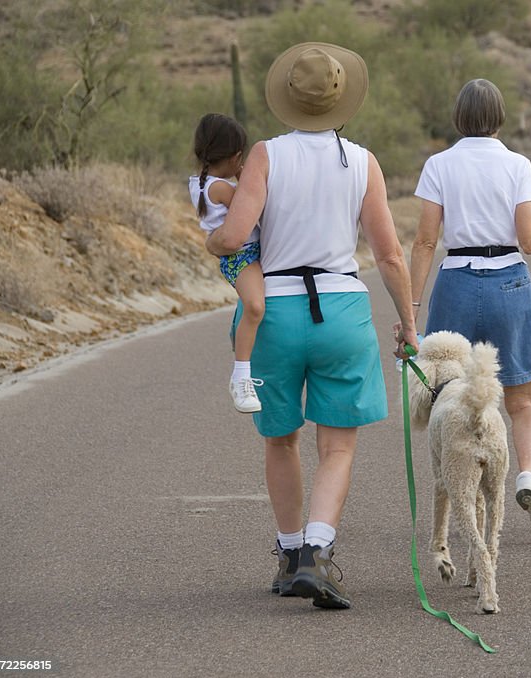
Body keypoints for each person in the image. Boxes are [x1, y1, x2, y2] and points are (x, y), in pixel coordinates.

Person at [205, 42, 418, 609]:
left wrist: (213, 241)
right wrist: (409, 322)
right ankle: (320, 553)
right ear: (341, 100)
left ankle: (289, 553)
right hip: (342, 308)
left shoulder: (266, 157)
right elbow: (391, 255)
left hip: (275, 309)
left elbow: (232, 236)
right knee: (338, 448)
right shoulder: (363, 161)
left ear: (286, 100)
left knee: (281, 440)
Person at [407, 78, 531, 535]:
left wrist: (410, 305)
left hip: (456, 283)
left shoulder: (439, 164)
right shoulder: (517, 164)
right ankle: (527, 477)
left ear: (458, 118)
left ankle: (462, 491)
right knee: (523, 401)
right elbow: (529, 240)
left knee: (453, 395)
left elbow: (426, 240)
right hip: (509, 281)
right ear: (500, 117)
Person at [189, 113, 265, 413]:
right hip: (242, 256)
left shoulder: (201, 182)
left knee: (255, 305)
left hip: (241, 256)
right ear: (235, 156)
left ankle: (239, 327)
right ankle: (241, 375)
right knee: (256, 306)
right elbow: (252, 206)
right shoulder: (221, 188)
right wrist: (248, 176)